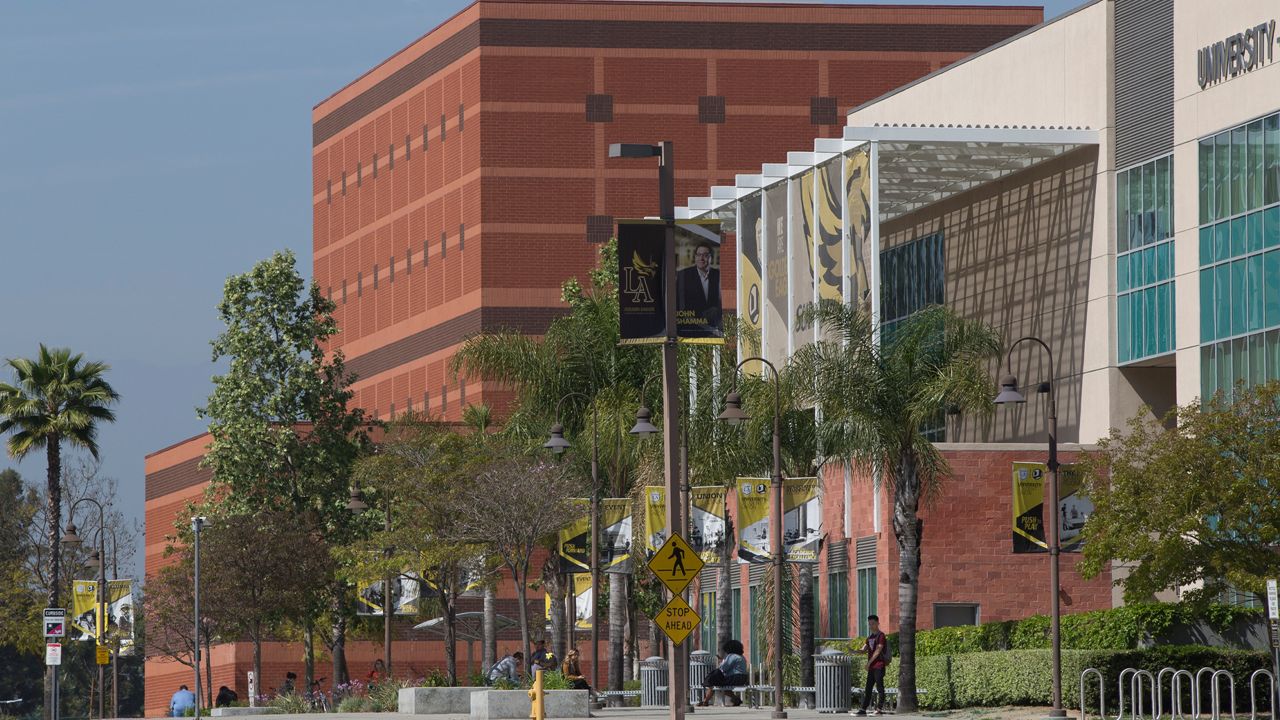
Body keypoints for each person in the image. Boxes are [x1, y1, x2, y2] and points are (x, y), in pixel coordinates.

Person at [676, 241, 723, 335]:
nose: (701, 258)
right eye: (698, 255)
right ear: (695, 257)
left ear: (711, 258)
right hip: (690, 328)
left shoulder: (718, 275)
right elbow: (678, 303)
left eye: (705, 255)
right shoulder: (684, 275)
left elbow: (722, 301)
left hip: (714, 329)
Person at [854, 614, 889, 716]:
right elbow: (863, 650)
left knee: (880, 687)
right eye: (869, 624)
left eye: (873, 623)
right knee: (868, 688)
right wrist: (853, 651)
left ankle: (879, 709)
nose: (871, 626)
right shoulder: (869, 638)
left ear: (878, 623)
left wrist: (868, 663)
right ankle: (863, 710)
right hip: (871, 668)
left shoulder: (881, 635)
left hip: (879, 666)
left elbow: (878, 650)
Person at [698, 639, 748, 707]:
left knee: (715, 681)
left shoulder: (732, 656)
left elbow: (723, 668)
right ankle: (736, 699)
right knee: (720, 685)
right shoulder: (742, 657)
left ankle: (705, 700)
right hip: (742, 678)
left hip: (735, 677)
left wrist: (720, 662)